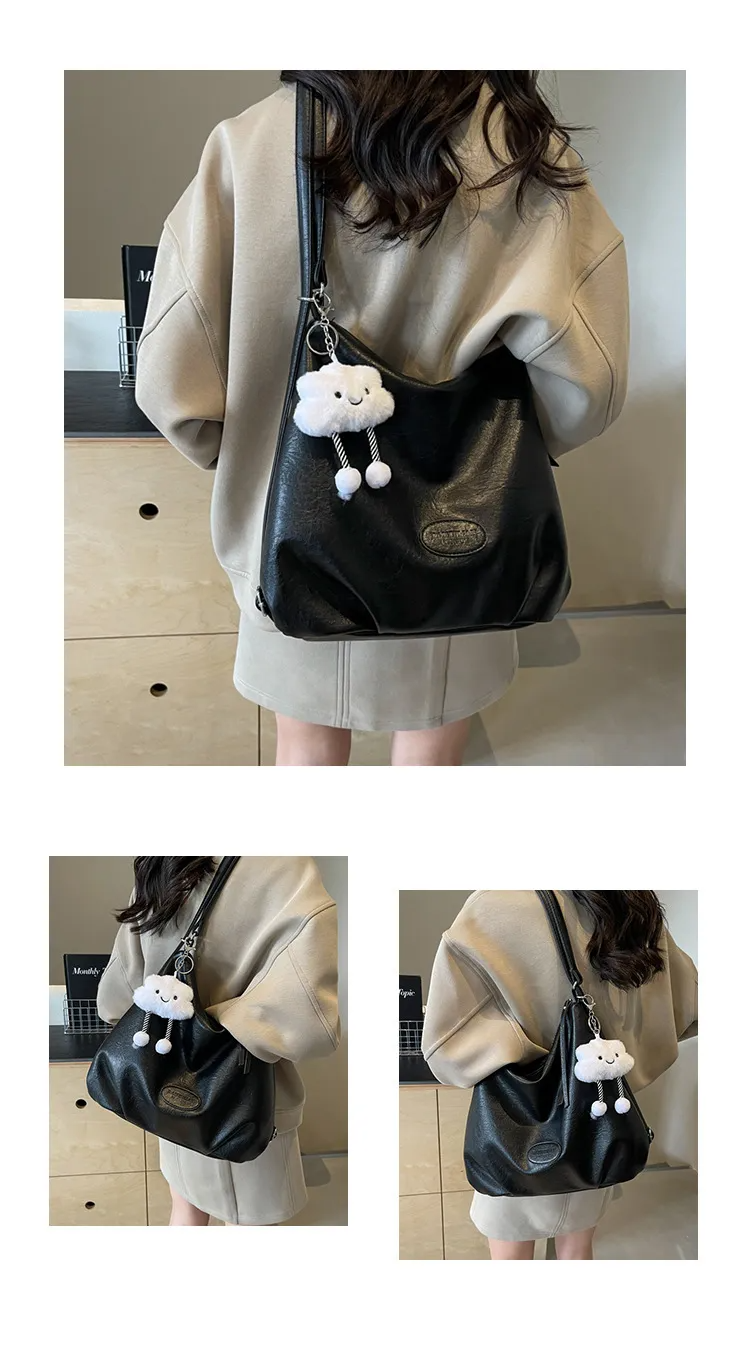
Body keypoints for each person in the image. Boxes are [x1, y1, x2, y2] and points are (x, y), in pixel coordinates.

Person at [135, 71, 629, 767]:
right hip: (465, 544)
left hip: (290, 544)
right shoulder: (521, 149)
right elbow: (589, 383)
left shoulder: (250, 143)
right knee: (432, 749)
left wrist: (254, 457)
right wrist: (495, 449)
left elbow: (173, 386)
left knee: (304, 751)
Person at [422, 891, 697, 1259]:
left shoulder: (496, 904)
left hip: (520, 1127)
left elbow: (444, 1050)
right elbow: (688, 1009)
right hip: (599, 1123)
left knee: (511, 1259)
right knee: (577, 1252)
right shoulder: (632, 903)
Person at [97, 856, 339, 1226]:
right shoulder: (285, 867)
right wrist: (215, 1029)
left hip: (163, 1093)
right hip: (239, 1102)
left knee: (185, 1213)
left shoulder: (165, 861)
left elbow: (115, 999)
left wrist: (174, 1014)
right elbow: (308, 1024)